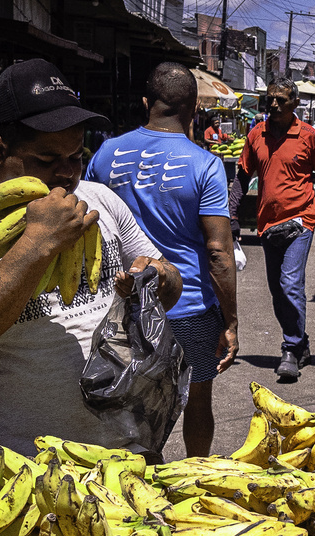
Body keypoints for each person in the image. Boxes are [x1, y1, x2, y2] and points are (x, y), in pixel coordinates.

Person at [0, 59, 182, 458]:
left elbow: (172, 283)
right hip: (29, 468)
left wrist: (158, 279)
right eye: (47, 160)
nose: (68, 174)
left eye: (76, 156)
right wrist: (39, 241)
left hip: (129, 452)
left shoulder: (100, 201)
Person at [87, 62, 240, 459]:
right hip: (188, 305)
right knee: (197, 399)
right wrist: (231, 320)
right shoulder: (205, 164)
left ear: (145, 103)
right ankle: (198, 477)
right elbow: (219, 252)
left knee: (128, 401)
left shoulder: (105, 154)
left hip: (123, 302)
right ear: (193, 109)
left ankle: (137, 481)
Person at [239, 79, 315, 382]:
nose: (273, 104)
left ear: (295, 103)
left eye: (280, 100)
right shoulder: (256, 135)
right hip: (268, 224)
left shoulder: (308, 136)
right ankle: (300, 343)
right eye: (270, 99)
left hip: (301, 220)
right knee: (278, 290)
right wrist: (231, 215)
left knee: (290, 283)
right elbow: (241, 177)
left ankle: (289, 348)